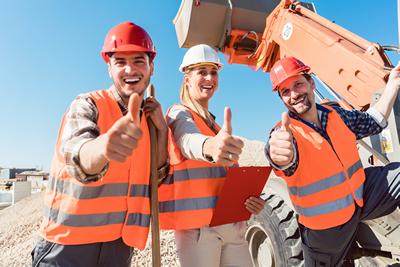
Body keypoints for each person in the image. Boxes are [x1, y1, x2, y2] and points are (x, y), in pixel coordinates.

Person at [31, 22, 168, 267]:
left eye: (139, 60)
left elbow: (155, 179)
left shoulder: (149, 120)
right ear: (109, 68)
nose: (130, 69)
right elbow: (77, 154)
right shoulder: (87, 104)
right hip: (68, 246)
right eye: (120, 62)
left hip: (118, 247)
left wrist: (162, 131)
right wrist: (104, 147)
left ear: (151, 67)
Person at [266, 56, 400, 266]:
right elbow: (281, 159)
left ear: (311, 83)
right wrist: (280, 157)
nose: (293, 95)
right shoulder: (284, 133)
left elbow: (372, 122)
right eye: (285, 91)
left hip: (361, 199)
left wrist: (393, 84)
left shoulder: (336, 114)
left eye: (298, 84)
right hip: (326, 231)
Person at [158, 44, 265, 267]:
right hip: (198, 232)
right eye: (201, 72)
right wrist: (209, 147)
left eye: (213, 72)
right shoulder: (180, 114)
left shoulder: (216, 126)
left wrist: (248, 201)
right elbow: (187, 140)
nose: (209, 77)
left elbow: (228, 180)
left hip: (231, 226)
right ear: (187, 79)